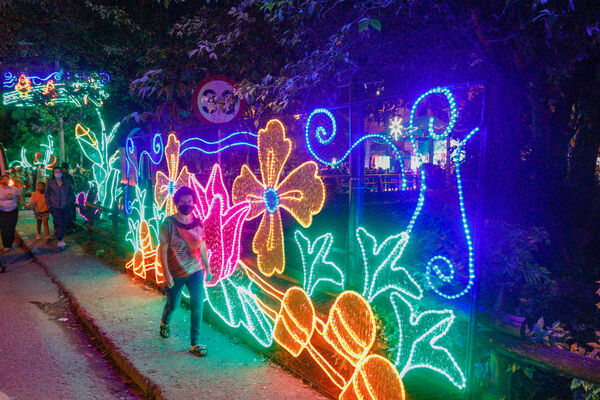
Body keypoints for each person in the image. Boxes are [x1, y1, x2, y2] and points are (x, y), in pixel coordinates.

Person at [158, 186, 212, 357]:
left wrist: (207, 267)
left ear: (194, 202)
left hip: (195, 271)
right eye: (182, 202)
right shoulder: (169, 223)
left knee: (198, 306)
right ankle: (164, 323)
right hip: (175, 273)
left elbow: (202, 246)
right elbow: (163, 248)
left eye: (189, 201)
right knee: (173, 304)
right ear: (176, 203)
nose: (186, 204)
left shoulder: (197, 223)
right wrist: (166, 273)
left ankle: (195, 344)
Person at [45, 166, 73, 249]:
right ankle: (60, 240)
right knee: (58, 222)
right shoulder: (50, 183)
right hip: (54, 206)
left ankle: (60, 236)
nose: (58, 173)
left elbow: (71, 194)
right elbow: (47, 194)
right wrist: (48, 204)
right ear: (53, 173)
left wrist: (68, 202)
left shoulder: (66, 182)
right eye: (56, 172)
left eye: (59, 172)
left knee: (64, 222)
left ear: (62, 173)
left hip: (65, 206)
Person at [0, 174, 24, 254]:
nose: (5, 181)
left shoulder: (14, 189)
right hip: (2, 212)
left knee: (11, 227)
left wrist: (25, 205)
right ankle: (6, 245)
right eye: (4, 179)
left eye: (7, 179)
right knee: (4, 228)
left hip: (13, 211)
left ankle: (10, 241)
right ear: (1, 180)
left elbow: (18, 199)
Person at [61, 162, 76, 232]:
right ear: (67, 168)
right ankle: (71, 227)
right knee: (71, 212)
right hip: (70, 197)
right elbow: (73, 187)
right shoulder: (70, 177)